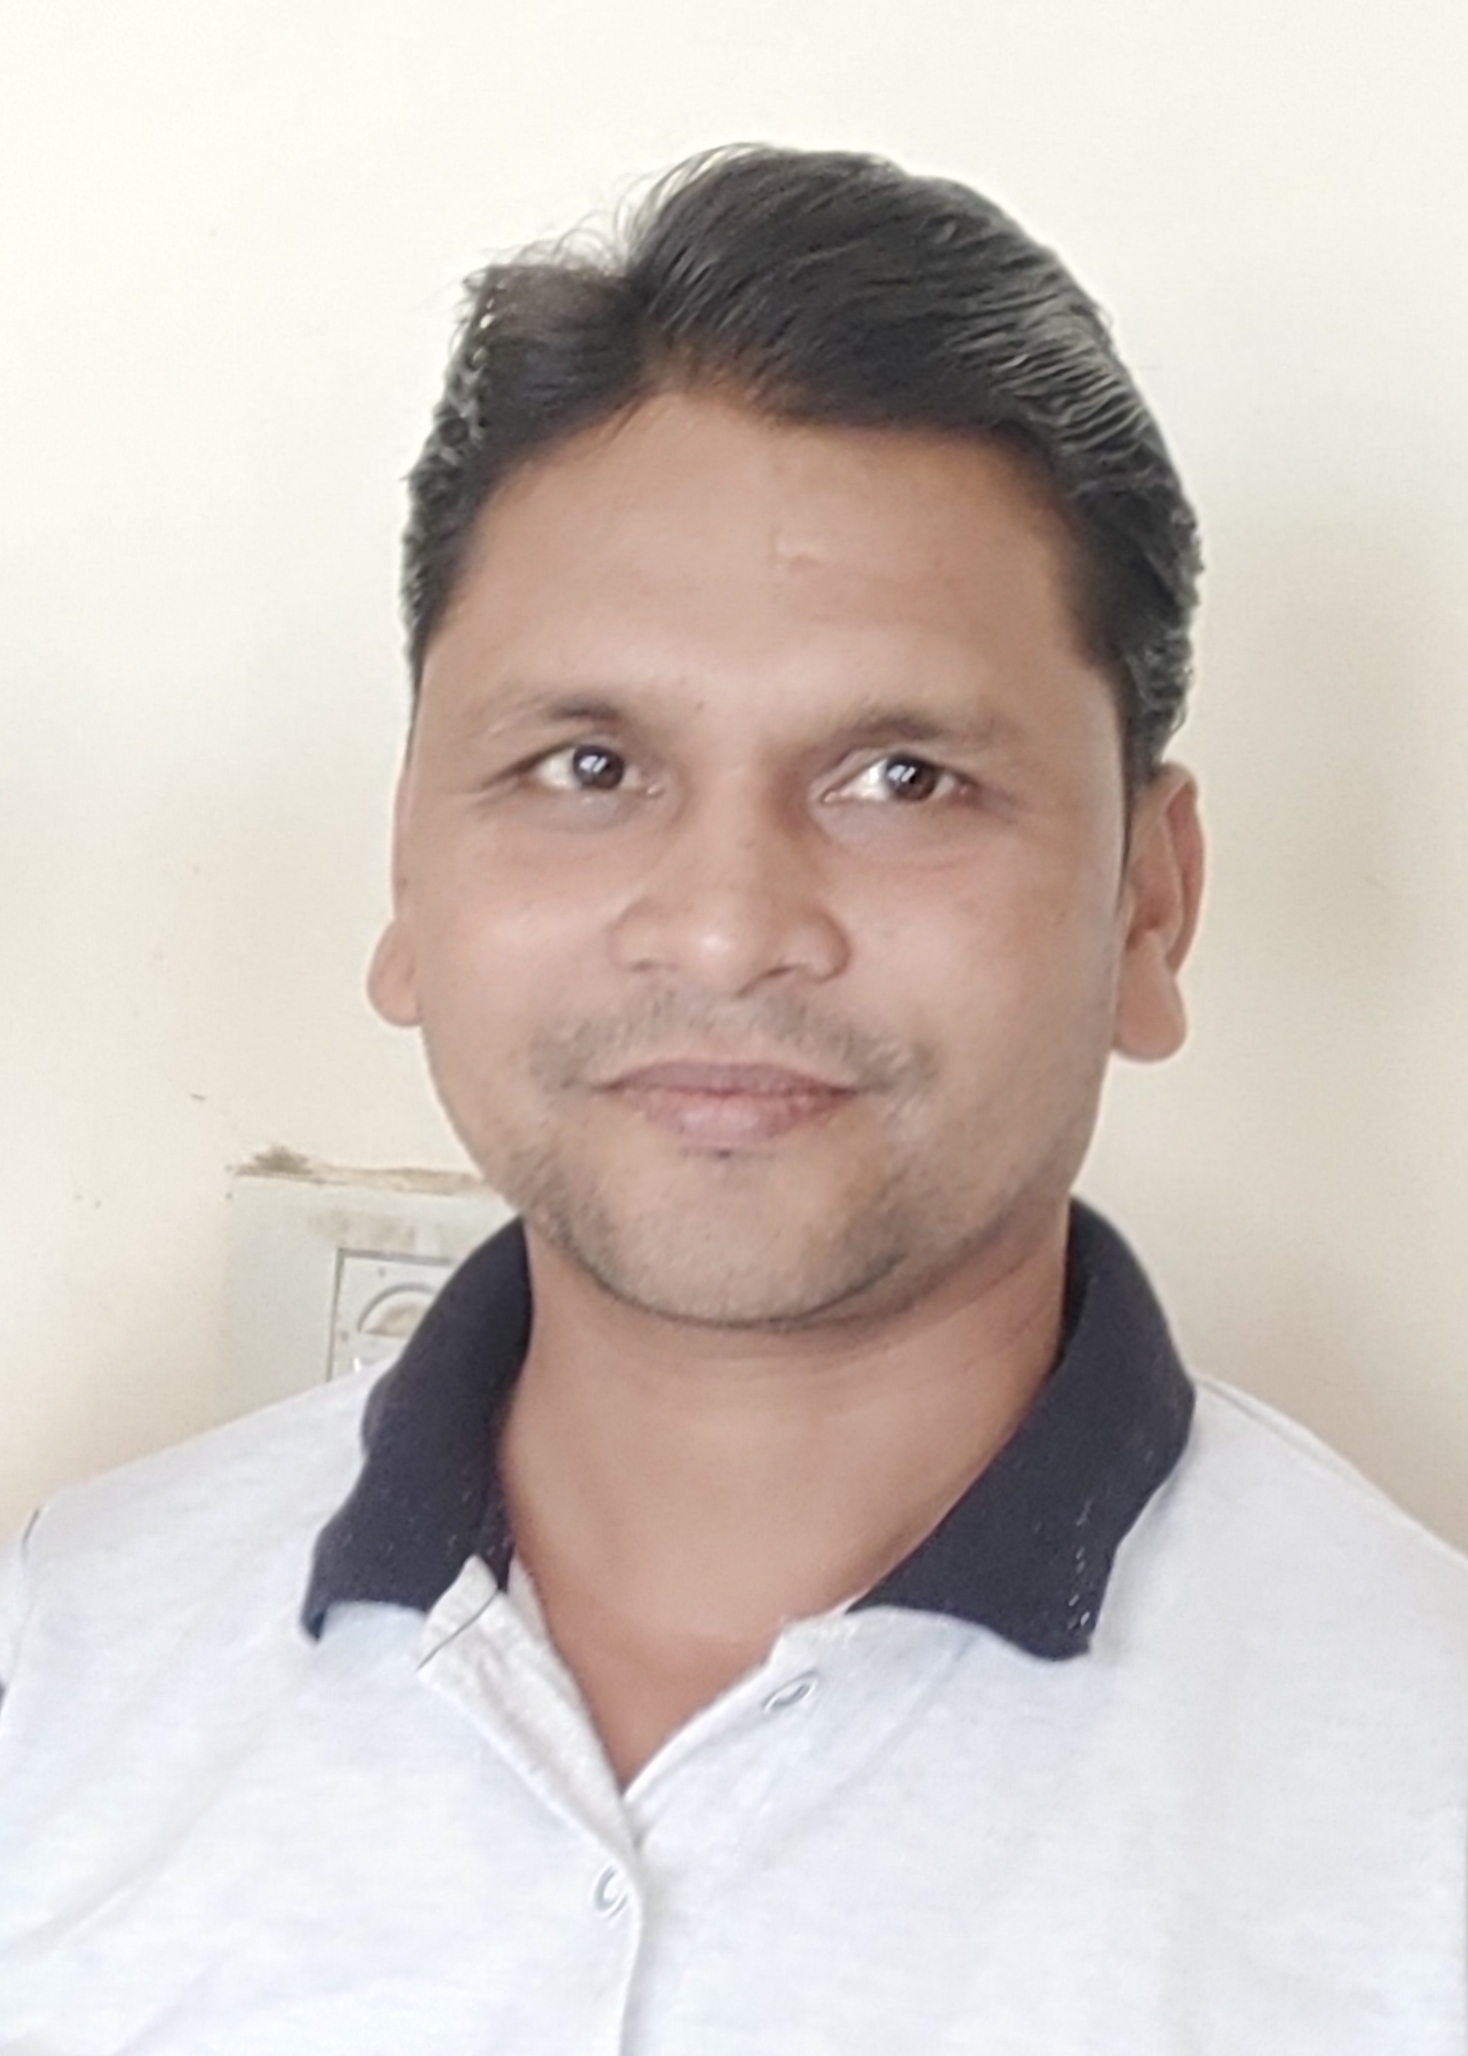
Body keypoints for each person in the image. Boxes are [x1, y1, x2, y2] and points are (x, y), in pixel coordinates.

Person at [2, 145, 1465, 2055]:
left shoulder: (1418, 1801)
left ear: (1149, 906)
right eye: (588, 765)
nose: (722, 927)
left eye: (904, 779)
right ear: (408, 876)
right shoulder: (59, 1666)